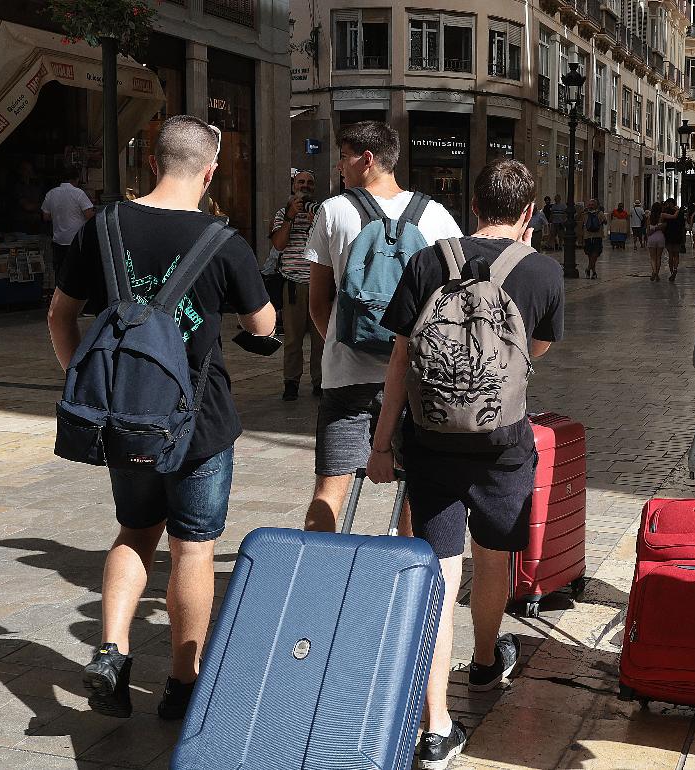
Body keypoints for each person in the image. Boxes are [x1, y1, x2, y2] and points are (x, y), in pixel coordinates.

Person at [47, 115, 276, 720]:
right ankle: (181, 683)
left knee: (135, 532)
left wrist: (95, 385)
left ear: (151, 164)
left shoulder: (103, 225)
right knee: (194, 550)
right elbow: (264, 325)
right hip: (199, 423)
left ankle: (113, 652)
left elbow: (59, 316)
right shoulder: (223, 241)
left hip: (129, 417)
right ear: (209, 171)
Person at [366, 158, 564, 770]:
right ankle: (484, 661)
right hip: (501, 441)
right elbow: (535, 350)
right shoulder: (542, 272)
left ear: (473, 204)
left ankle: (437, 727)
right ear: (528, 213)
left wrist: (380, 444)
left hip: (430, 441)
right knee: (493, 554)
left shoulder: (429, 261)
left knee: (439, 574)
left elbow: (400, 357)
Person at [300, 121, 461, 536]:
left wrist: (341, 341)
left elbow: (318, 301)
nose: (339, 165)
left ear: (367, 160)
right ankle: (400, 575)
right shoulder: (436, 216)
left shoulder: (333, 210)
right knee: (415, 489)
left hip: (346, 375)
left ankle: (318, 573)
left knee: (329, 488)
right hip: (415, 376)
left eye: (344, 156)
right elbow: (452, 299)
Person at [270, 170, 324, 400]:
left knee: (320, 340)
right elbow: (279, 244)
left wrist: (317, 225)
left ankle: (320, 382)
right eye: (301, 182)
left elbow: (329, 244)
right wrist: (290, 217)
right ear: (293, 185)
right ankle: (291, 382)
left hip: (319, 285)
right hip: (293, 284)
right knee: (292, 339)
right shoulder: (283, 213)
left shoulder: (322, 212)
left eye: (310, 182)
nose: (305, 186)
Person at [41, 167, 95, 276]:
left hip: (58, 240)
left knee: (60, 271)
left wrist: (59, 216)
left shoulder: (51, 193)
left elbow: (45, 216)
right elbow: (89, 215)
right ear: (76, 179)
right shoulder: (78, 193)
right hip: (76, 240)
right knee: (77, 271)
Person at [579, 197, 606, 278]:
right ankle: (593, 272)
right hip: (587, 237)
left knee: (595, 254)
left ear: (596, 205)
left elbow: (604, 221)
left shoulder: (599, 213)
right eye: (590, 204)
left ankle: (588, 268)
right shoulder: (585, 214)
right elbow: (579, 221)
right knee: (590, 255)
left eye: (592, 204)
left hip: (597, 236)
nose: (591, 206)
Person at [661, 199, 686, 282]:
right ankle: (675, 269)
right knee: (676, 254)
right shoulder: (680, 213)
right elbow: (683, 225)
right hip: (678, 235)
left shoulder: (666, 212)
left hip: (669, 235)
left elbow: (664, 224)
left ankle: (672, 271)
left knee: (670, 255)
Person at [646, 201, 667, 281]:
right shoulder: (662, 216)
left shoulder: (649, 217)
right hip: (660, 237)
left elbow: (647, 231)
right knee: (658, 257)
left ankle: (654, 272)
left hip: (651, 238)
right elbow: (672, 217)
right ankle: (657, 274)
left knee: (652, 257)